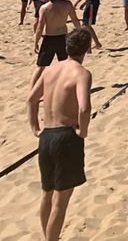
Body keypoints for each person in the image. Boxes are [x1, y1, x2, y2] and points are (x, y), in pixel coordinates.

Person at [27, 28, 93, 241]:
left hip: (47, 135)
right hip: (66, 137)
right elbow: (84, 108)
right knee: (60, 200)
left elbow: (31, 100)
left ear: (66, 46)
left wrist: (35, 128)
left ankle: (48, 237)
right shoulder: (81, 73)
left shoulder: (49, 70)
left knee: (47, 193)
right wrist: (82, 131)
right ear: (87, 49)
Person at [32, 0, 81, 88]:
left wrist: (35, 42)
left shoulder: (44, 8)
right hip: (63, 37)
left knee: (40, 66)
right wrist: (80, 34)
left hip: (50, 38)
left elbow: (40, 27)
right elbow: (76, 21)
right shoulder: (67, 4)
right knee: (65, 64)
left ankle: (32, 89)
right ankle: (67, 87)